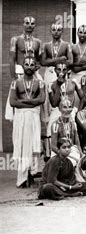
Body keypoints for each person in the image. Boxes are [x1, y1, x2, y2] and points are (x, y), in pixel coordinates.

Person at [10, 57, 46, 187]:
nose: (29, 67)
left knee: (33, 146)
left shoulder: (40, 83)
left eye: (32, 64)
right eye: (26, 64)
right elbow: (12, 102)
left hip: (33, 118)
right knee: (22, 146)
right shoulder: (16, 83)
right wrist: (32, 102)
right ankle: (22, 178)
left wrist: (23, 102)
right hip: (21, 119)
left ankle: (31, 174)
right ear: (23, 66)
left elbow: (42, 99)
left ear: (35, 66)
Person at [6, 16, 43, 121]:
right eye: (27, 23)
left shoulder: (38, 42)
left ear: (35, 26)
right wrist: (14, 78)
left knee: (38, 98)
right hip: (20, 73)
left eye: (32, 24)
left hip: (34, 74)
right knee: (18, 100)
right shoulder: (16, 39)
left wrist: (37, 66)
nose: (29, 26)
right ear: (23, 24)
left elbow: (40, 60)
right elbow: (12, 59)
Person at [47, 63, 82, 143]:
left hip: (71, 110)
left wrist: (78, 112)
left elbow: (83, 98)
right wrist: (59, 85)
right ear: (55, 70)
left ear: (68, 71)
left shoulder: (73, 82)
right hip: (57, 111)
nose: (61, 72)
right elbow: (54, 103)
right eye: (59, 69)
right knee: (51, 128)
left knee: (72, 129)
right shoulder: (51, 85)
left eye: (64, 70)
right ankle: (52, 151)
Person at [50, 99, 85, 167]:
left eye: (70, 106)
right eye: (65, 107)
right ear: (60, 109)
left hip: (72, 150)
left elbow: (77, 142)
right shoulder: (55, 125)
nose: (68, 109)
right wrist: (62, 153)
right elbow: (53, 146)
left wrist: (81, 154)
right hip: (59, 151)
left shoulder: (73, 124)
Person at [40, 23, 73, 88]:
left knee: (62, 92)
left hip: (62, 71)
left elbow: (70, 61)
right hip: (49, 72)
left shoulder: (67, 45)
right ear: (51, 31)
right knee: (48, 91)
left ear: (62, 31)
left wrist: (49, 61)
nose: (56, 32)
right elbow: (43, 62)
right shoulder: (46, 45)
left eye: (58, 30)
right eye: (54, 30)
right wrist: (59, 60)